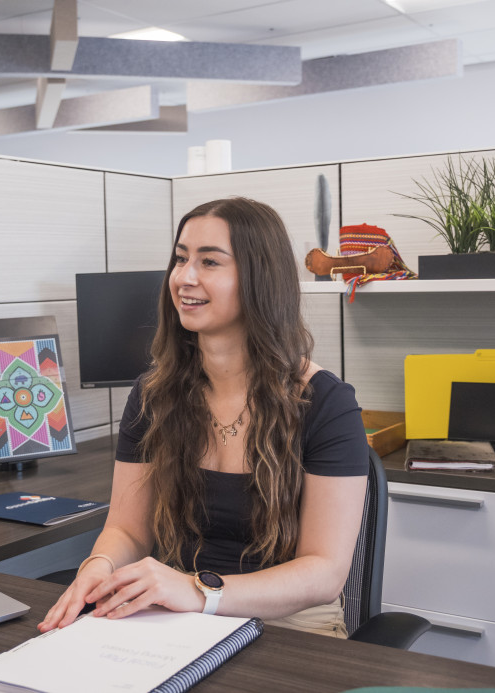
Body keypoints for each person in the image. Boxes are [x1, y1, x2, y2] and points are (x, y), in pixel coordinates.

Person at [39, 197, 368, 638]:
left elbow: (325, 572)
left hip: (290, 628)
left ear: (259, 279)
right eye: (180, 259)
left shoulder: (325, 404)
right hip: (177, 618)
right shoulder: (153, 396)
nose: (184, 278)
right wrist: (98, 567)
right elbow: (126, 529)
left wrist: (200, 591)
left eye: (209, 262)